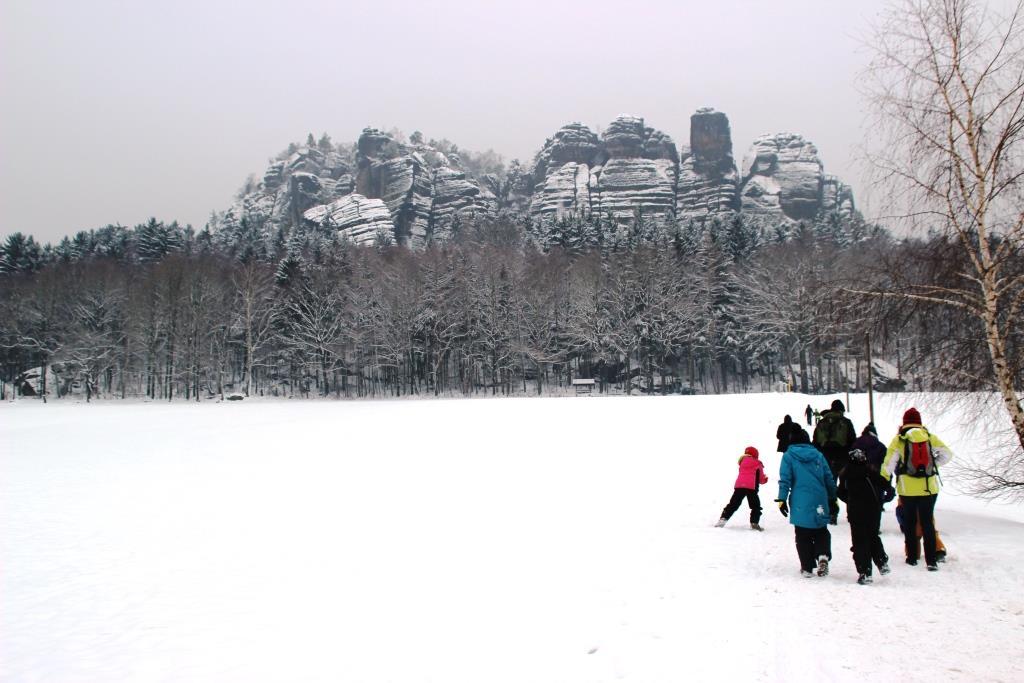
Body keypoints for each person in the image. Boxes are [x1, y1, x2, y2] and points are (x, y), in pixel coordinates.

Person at [881, 407, 953, 571]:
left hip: (907, 489)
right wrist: (933, 465)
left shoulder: (899, 439)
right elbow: (947, 454)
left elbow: (888, 464)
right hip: (929, 488)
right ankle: (931, 561)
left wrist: (884, 480)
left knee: (910, 522)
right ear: (919, 422)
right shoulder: (928, 437)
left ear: (904, 422)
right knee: (927, 523)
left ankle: (912, 557)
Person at [776, 428, 837, 577]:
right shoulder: (818, 455)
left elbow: (785, 480)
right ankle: (822, 555)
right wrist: (832, 497)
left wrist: (781, 499)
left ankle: (807, 567)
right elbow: (829, 477)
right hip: (819, 499)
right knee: (821, 529)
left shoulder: (788, 456)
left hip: (800, 501)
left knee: (802, 533)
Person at [837, 447, 890, 584]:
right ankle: (882, 562)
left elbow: (840, 492)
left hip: (856, 512)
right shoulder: (870, 471)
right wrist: (883, 498)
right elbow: (885, 485)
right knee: (873, 536)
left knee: (860, 541)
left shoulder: (846, 474)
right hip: (873, 510)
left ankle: (865, 572)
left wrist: (849, 499)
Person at [813, 399, 857, 523]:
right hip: (843, 459)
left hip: (825, 459)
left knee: (829, 486)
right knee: (847, 486)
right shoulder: (846, 422)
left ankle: (832, 513)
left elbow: (815, 442)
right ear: (841, 410)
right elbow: (853, 441)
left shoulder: (822, 422)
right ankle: (851, 513)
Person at [715, 446, 769, 531]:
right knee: (755, 506)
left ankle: (722, 519)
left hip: (739, 486)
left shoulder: (742, 462)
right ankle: (754, 523)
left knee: (733, 504)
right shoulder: (758, 463)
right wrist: (765, 479)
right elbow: (761, 479)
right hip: (751, 488)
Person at [896, 496, 948, 563]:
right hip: (924, 496)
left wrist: (903, 524)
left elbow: (899, 512)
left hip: (909, 497)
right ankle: (938, 551)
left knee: (915, 532)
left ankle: (913, 554)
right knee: (928, 530)